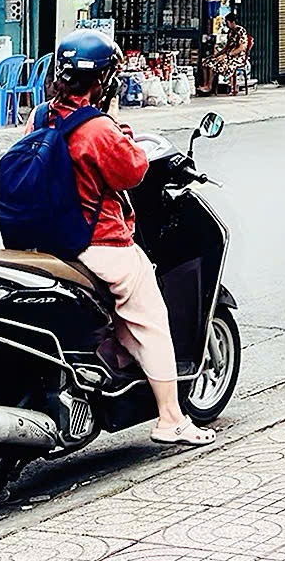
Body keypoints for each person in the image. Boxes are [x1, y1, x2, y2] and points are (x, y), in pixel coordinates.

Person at [43, 32, 213, 445]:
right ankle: (171, 418)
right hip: (98, 244)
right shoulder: (98, 128)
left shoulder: (41, 116)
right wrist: (115, 119)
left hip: (45, 244)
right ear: (104, 81)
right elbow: (133, 171)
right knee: (152, 320)